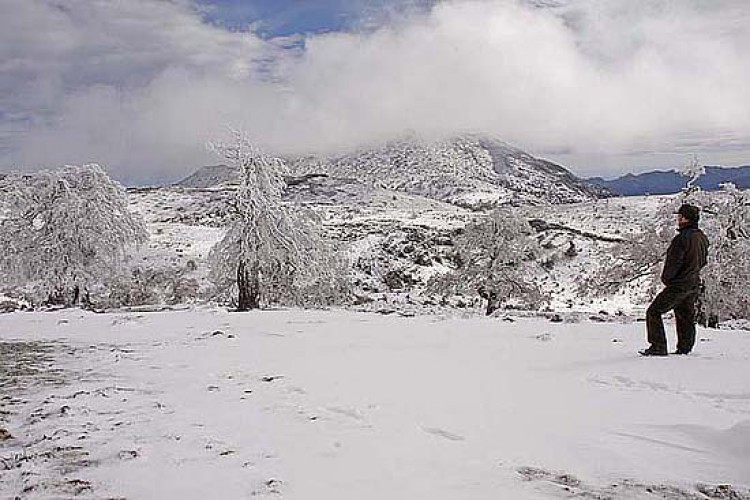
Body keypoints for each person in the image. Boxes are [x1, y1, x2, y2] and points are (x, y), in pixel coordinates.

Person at [640, 203, 710, 356]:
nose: (678, 219)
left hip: (679, 284)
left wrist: (667, 280)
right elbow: (704, 261)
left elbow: (673, 263)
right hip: (693, 282)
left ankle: (658, 346)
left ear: (685, 219)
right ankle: (685, 348)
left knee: (654, 311)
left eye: (680, 216)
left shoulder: (681, 239)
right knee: (685, 315)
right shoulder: (701, 237)